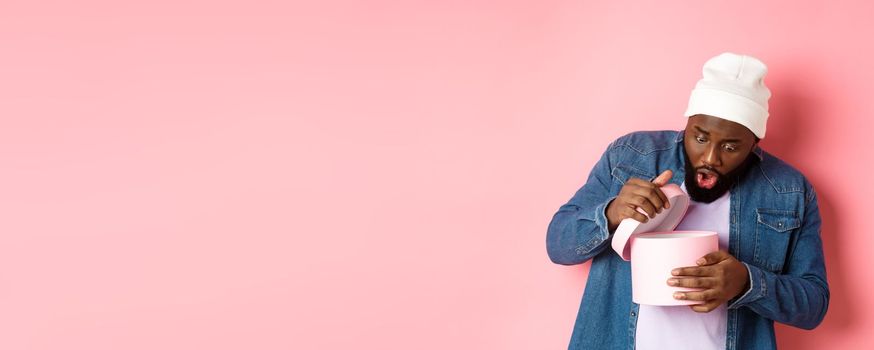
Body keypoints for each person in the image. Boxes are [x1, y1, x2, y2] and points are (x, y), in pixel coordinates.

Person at [546, 52, 829, 349]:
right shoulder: (629, 157)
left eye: (731, 147)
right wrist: (612, 212)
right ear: (688, 124)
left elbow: (814, 304)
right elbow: (558, 245)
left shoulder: (789, 191)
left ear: (754, 143)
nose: (710, 158)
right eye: (701, 138)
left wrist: (746, 283)